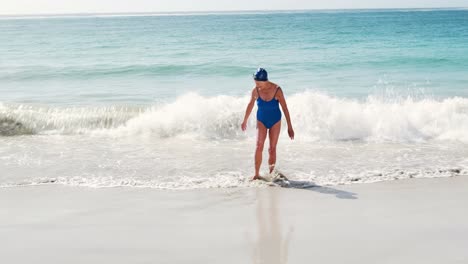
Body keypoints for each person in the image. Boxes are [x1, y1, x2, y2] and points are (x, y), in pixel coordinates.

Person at [241, 68, 294, 180]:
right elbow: (250, 104)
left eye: (258, 82)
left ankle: (271, 174)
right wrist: (245, 120)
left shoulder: (277, 90)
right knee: (259, 145)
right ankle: (256, 174)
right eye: (255, 82)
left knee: (272, 148)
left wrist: (290, 126)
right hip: (261, 120)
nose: (257, 84)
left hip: (275, 120)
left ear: (265, 80)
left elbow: (285, 108)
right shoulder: (256, 90)